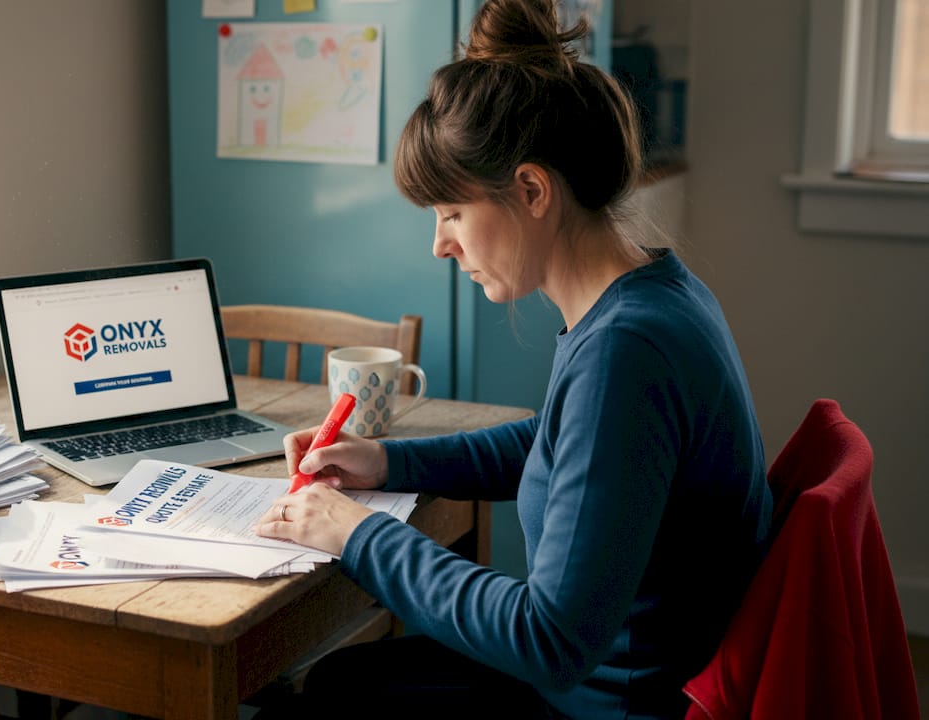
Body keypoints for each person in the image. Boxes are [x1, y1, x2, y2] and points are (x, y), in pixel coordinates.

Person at [251, 1, 773, 718]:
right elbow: (560, 445)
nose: (440, 245)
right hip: (617, 678)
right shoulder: (654, 296)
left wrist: (356, 531)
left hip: (601, 701)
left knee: (317, 698)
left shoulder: (626, 350)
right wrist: (388, 462)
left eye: (452, 214)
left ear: (531, 190)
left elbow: (549, 637)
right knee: (338, 685)